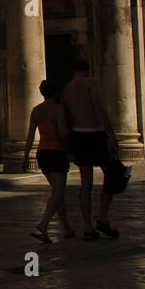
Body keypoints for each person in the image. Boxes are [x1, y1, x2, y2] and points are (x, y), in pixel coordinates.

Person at [59, 59, 119, 239]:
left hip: (79, 135)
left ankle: (87, 226)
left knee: (86, 183)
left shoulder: (65, 90)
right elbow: (99, 109)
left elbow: (67, 116)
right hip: (96, 134)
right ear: (87, 70)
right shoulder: (91, 83)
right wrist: (111, 134)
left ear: (72, 70)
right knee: (112, 175)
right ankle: (103, 216)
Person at [23, 79, 75, 244]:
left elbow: (31, 135)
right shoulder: (59, 110)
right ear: (56, 92)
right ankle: (44, 224)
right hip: (57, 152)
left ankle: (67, 228)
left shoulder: (36, 110)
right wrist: (73, 128)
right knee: (58, 193)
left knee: (57, 193)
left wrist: (25, 156)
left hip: (42, 153)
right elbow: (62, 133)